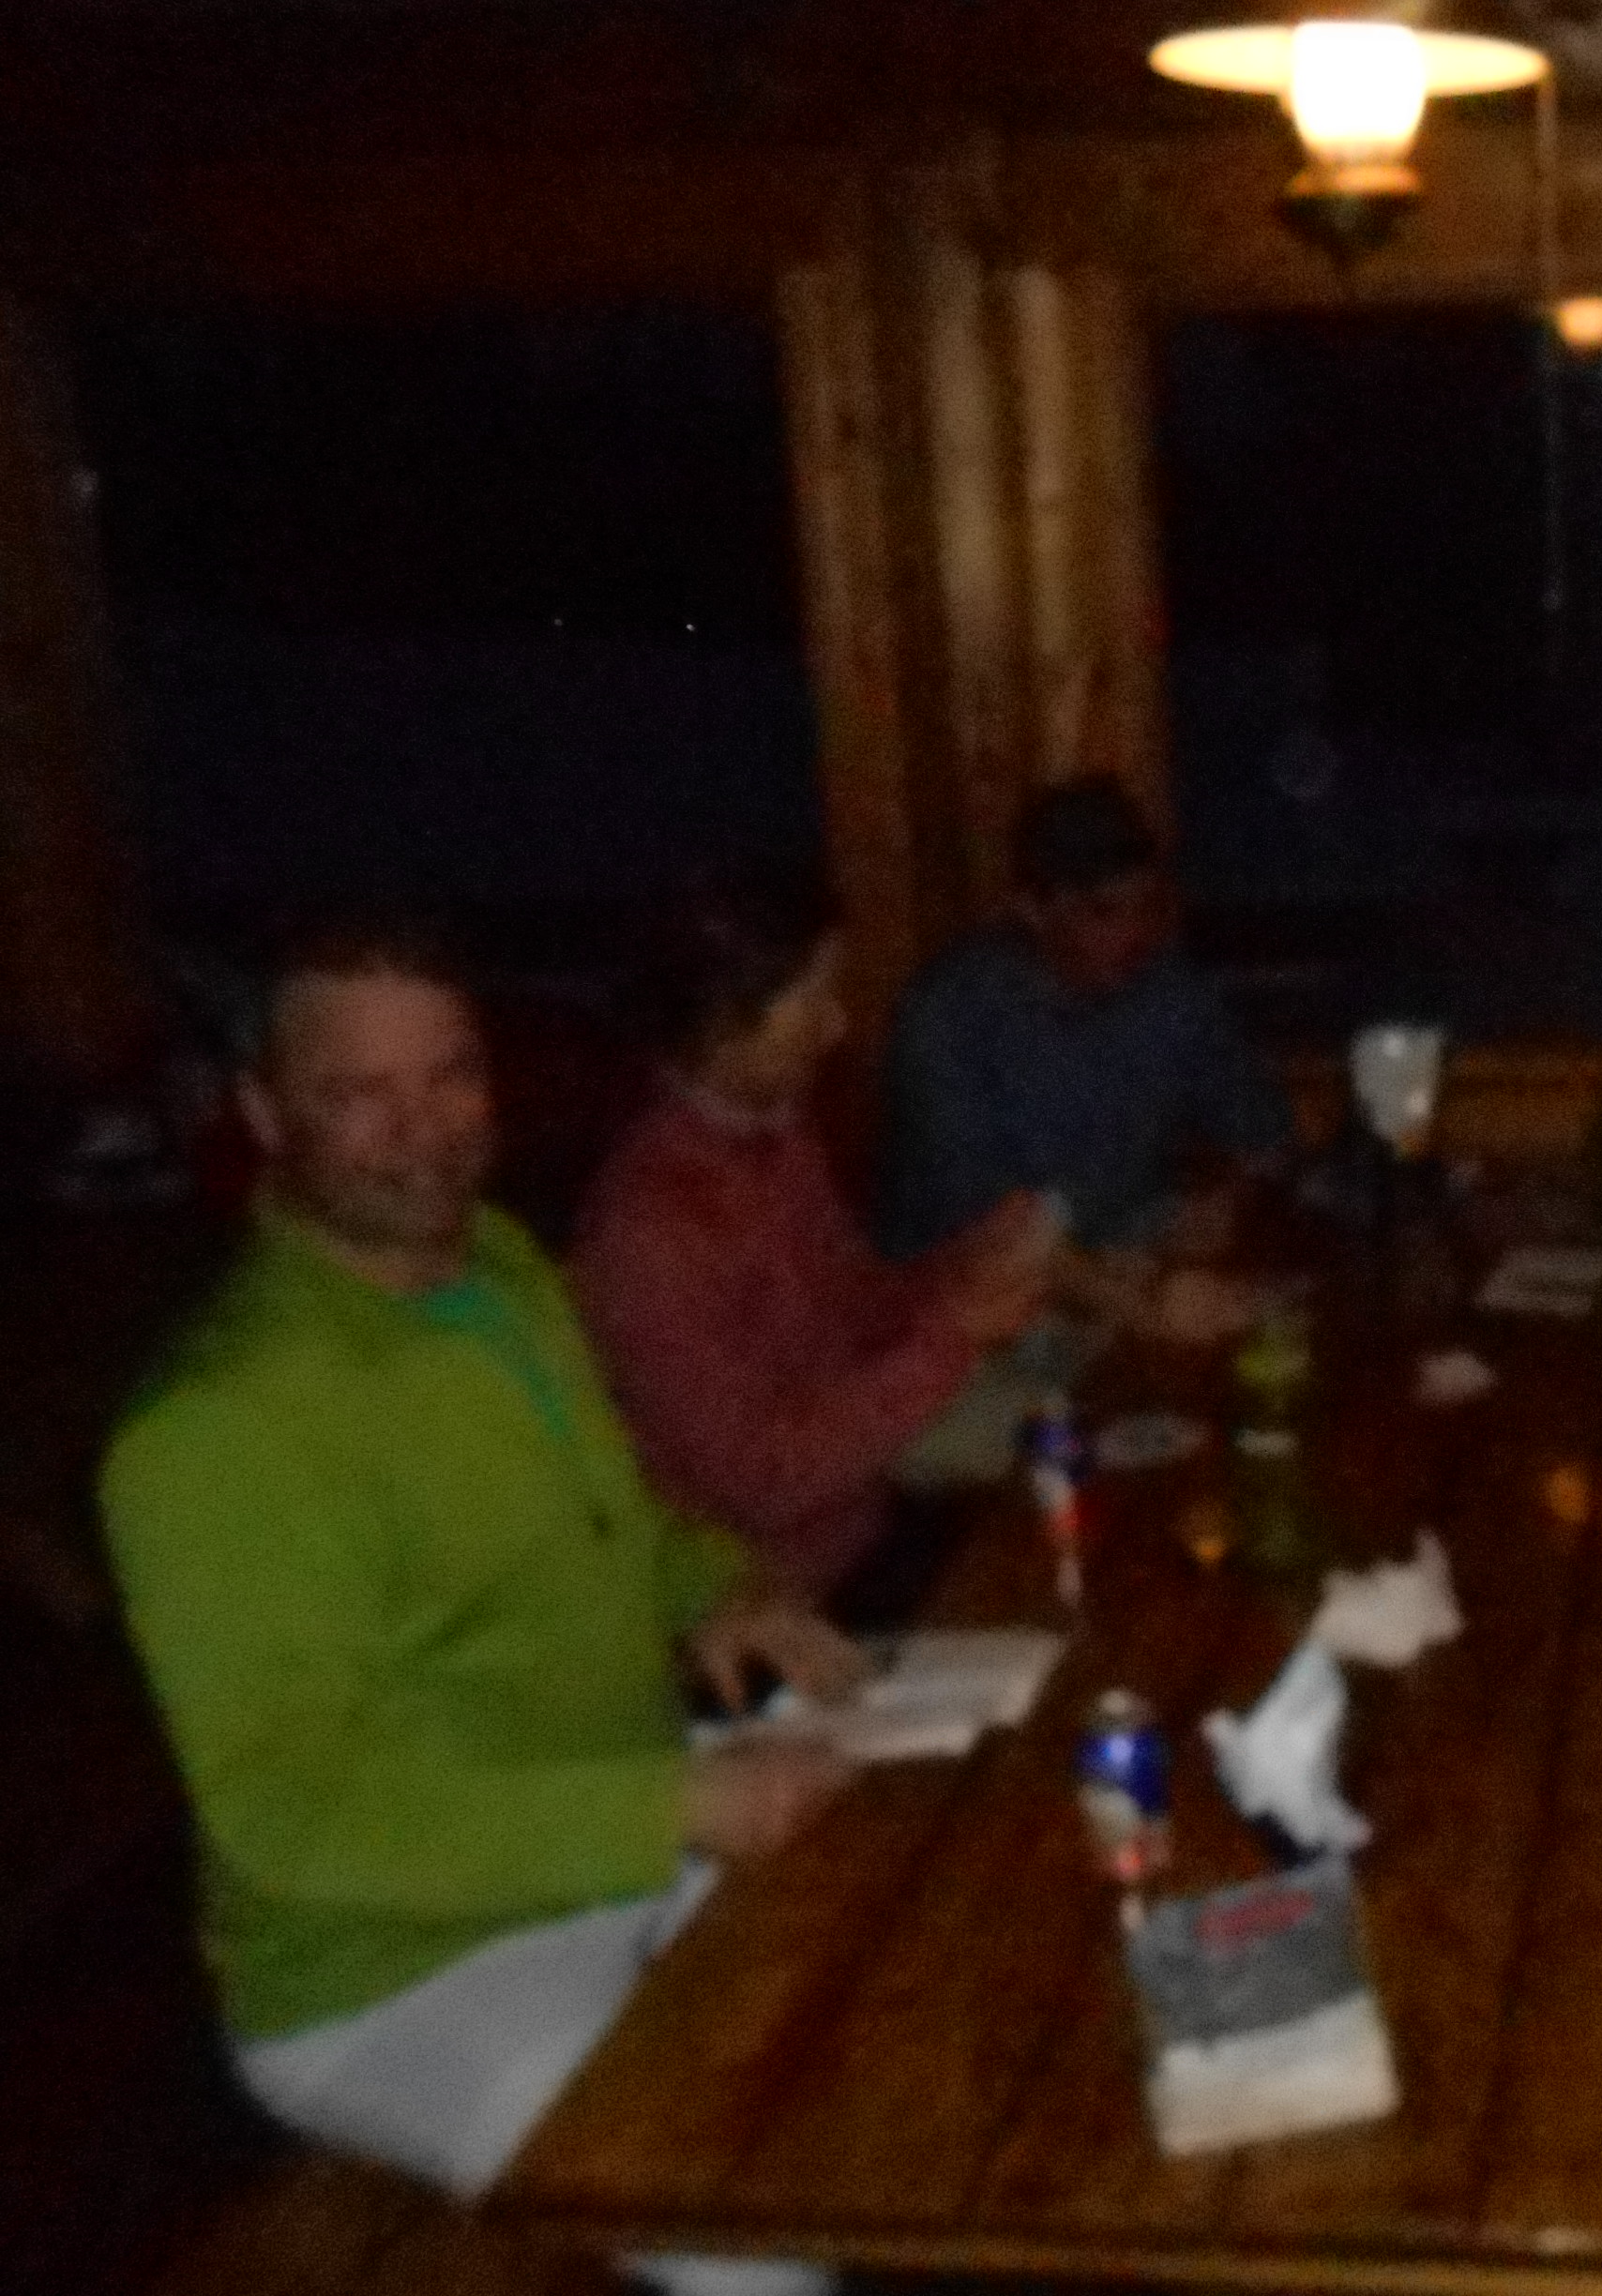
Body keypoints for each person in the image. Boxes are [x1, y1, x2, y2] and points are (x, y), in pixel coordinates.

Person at [99, 919, 864, 2296]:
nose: (424, 1129)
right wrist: (671, 1808)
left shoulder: (499, 1262)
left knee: (899, 1962)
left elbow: (615, 1512)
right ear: (265, 1114)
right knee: (766, 2260)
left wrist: (723, 1589)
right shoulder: (214, 1431)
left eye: (449, 1076)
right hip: (403, 1974)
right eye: (359, 1093)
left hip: (613, 1840)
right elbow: (299, 1815)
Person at [568, 879, 1057, 1604]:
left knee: (1084, 1464)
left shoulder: (776, 1134)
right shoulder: (650, 1227)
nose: (837, 1026)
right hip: (787, 1604)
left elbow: (855, 1310)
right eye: (814, 999)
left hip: (875, 1526)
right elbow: (760, 1481)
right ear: (725, 1022)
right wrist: (954, 1337)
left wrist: (962, 1262)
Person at [877, 776, 1293, 1330]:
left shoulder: (1171, 994)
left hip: (1126, 1261)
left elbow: (1265, 1135)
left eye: (1147, 907)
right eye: (1104, 912)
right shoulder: (952, 1015)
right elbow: (980, 1226)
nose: (1134, 932)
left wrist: (1226, 1201)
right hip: (973, 1308)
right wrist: (1143, 1306)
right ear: (1033, 908)